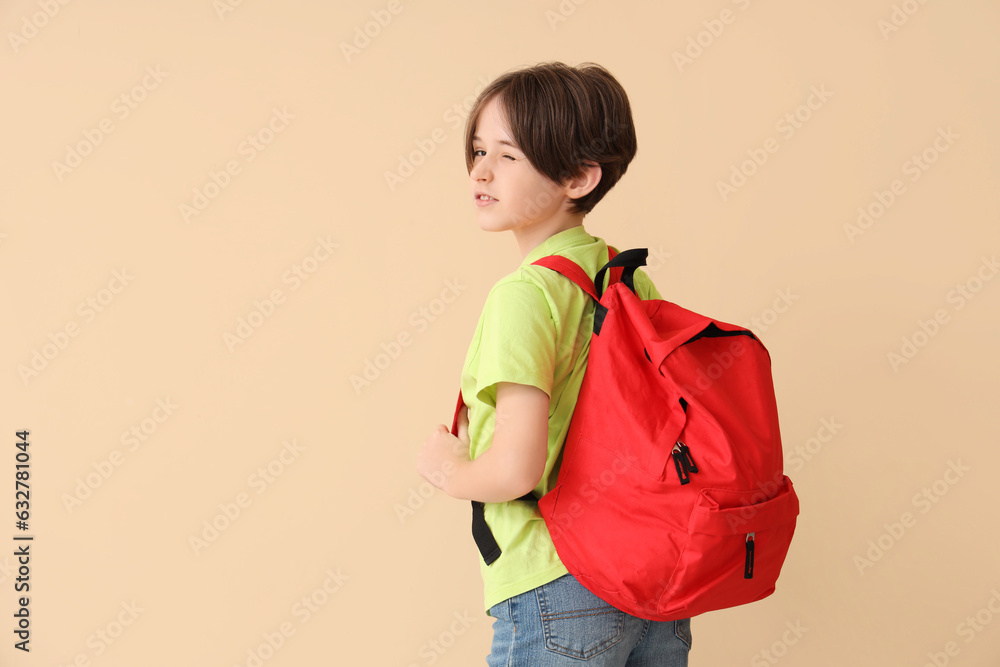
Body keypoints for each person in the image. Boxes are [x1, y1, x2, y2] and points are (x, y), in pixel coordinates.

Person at [417, 62, 692, 666]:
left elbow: (518, 471)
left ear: (578, 177)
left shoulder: (524, 295)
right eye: (478, 149)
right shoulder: (627, 278)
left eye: (508, 156)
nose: (481, 171)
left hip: (554, 583)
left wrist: (449, 470)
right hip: (652, 586)